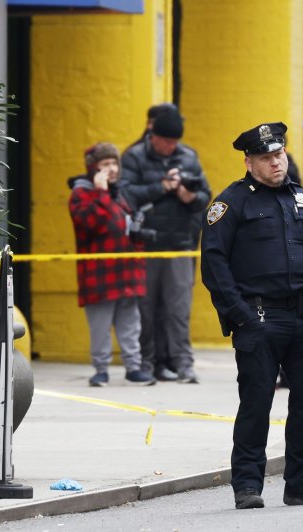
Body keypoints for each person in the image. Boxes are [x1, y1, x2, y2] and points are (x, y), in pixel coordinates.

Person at [200, 122, 303, 510]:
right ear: (249, 162)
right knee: (256, 404)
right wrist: (242, 316)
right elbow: (214, 267)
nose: (275, 163)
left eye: (279, 155)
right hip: (260, 320)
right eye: (266, 158)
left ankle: (302, 482)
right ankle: (247, 485)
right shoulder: (230, 204)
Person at [120, 109, 211, 384]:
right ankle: (146, 363)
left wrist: (188, 195)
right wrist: (161, 187)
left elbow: (206, 195)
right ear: (153, 136)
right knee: (145, 308)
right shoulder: (134, 156)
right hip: (146, 245)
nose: (170, 146)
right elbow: (125, 194)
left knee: (178, 308)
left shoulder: (188, 156)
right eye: (165, 141)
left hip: (180, 244)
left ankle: (184, 365)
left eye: (174, 142)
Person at [68, 142, 156, 387]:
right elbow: (95, 223)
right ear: (93, 168)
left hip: (127, 272)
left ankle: (133, 367)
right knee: (100, 326)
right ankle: (101, 369)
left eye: (114, 163)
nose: (112, 169)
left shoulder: (120, 192)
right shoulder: (81, 194)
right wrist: (100, 192)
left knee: (130, 324)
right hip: (99, 275)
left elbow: (123, 226)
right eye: (105, 164)